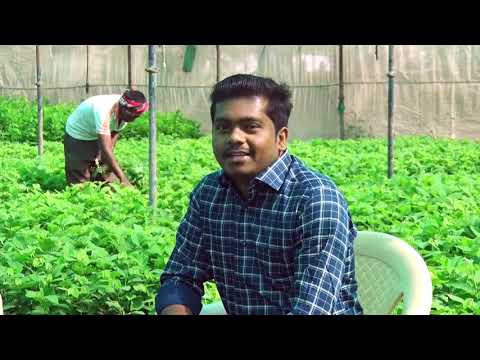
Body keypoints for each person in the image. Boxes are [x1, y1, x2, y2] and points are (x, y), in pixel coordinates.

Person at [155, 74, 363, 315]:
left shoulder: (316, 200)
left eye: (250, 127)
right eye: (223, 127)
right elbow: (181, 276)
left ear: (281, 138)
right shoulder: (209, 194)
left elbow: (310, 310)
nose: (234, 137)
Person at [63, 89, 148, 186]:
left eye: (137, 117)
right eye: (133, 116)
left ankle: (99, 181)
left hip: (95, 133)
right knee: (80, 179)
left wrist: (103, 161)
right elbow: (106, 149)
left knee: (105, 170)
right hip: (78, 134)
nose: (133, 120)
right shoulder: (103, 110)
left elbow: (112, 138)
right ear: (125, 110)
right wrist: (123, 178)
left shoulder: (125, 112)